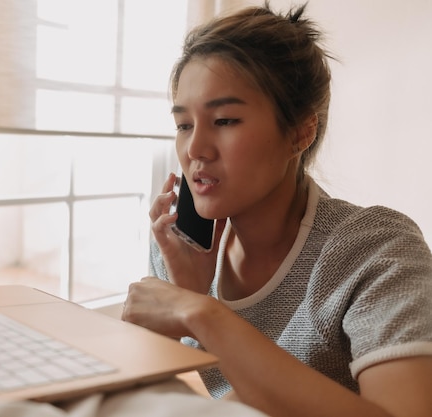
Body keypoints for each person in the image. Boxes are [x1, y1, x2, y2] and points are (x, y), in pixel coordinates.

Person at [121, 3, 432, 417]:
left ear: (301, 132)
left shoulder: (374, 251)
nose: (195, 149)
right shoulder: (180, 245)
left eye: (226, 120)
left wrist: (201, 313)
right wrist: (177, 307)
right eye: (184, 124)